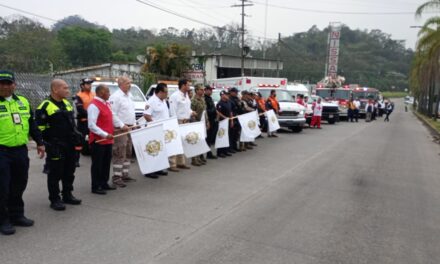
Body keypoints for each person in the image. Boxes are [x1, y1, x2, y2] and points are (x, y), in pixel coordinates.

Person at [0, 70, 45, 235]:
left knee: (19, 183)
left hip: (20, 150)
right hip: (1, 152)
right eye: (2, 83)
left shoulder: (23, 101)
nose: (5, 86)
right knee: (2, 187)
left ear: (14, 85)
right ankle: (3, 220)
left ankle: (17, 214)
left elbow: (32, 124)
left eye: (8, 83)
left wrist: (40, 142)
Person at [36, 79, 82, 211]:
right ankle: (55, 199)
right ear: (55, 89)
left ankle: (67, 194)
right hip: (55, 145)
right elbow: (39, 128)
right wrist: (47, 143)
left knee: (69, 171)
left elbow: (72, 124)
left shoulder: (67, 104)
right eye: (65, 88)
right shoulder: (44, 106)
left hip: (69, 144)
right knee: (55, 173)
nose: (68, 90)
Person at [88, 84, 125, 195]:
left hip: (107, 140)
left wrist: (122, 125)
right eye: (107, 92)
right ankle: (96, 186)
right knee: (97, 164)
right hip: (98, 140)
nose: (109, 94)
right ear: (100, 93)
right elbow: (91, 125)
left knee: (105, 163)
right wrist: (104, 134)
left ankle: (104, 183)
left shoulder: (106, 103)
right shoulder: (94, 105)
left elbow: (113, 116)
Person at [108, 76, 136, 187]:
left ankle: (125, 174)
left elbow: (131, 112)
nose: (130, 85)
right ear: (121, 84)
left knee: (128, 152)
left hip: (129, 127)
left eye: (130, 83)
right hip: (120, 129)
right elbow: (112, 114)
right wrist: (121, 125)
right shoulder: (116, 97)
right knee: (119, 153)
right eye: (128, 83)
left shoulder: (130, 96)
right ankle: (116, 177)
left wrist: (133, 124)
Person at [143, 83, 171, 177]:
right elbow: (146, 115)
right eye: (166, 92)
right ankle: (149, 171)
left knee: (159, 150)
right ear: (160, 92)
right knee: (152, 150)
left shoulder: (163, 100)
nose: (167, 94)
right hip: (153, 129)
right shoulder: (152, 101)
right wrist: (155, 125)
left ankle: (157, 168)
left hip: (163, 129)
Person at [169, 79, 193, 170]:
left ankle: (181, 162)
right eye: (188, 85)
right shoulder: (175, 96)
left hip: (186, 121)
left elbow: (187, 108)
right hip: (178, 121)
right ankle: (172, 164)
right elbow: (173, 110)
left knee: (182, 142)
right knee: (175, 142)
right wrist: (174, 122)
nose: (189, 87)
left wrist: (191, 112)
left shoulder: (186, 95)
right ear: (183, 85)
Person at [73, 78, 95, 160]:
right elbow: (80, 110)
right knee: (80, 140)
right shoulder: (78, 96)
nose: (90, 86)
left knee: (93, 138)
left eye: (90, 84)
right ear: (82, 85)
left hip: (93, 121)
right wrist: (93, 114)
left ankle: (92, 153)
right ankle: (76, 159)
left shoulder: (94, 94)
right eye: (88, 84)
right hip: (83, 121)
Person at [190, 84, 207, 166]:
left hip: (202, 122)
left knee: (201, 140)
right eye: (201, 89)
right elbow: (191, 113)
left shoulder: (202, 99)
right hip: (196, 122)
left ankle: (200, 157)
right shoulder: (193, 100)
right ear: (196, 91)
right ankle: (194, 159)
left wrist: (207, 122)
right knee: (195, 141)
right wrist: (194, 123)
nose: (203, 91)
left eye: (203, 89)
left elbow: (204, 111)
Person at [216, 91, 233, 158]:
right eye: (226, 94)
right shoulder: (220, 103)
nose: (227, 96)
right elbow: (218, 113)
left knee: (227, 136)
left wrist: (231, 120)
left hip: (228, 121)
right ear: (222, 95)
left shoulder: (228, 102)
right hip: (222, 122)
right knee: (221, 136)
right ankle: (220, 152)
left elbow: (230, 111)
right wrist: (225, 118)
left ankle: (225, 151)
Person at [204, 85, 218, 159]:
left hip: (213, 119)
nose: (211, 91)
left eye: (211, 90)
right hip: (208, 119)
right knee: (208, 137)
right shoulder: (205, 99)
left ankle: (209, 152)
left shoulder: (210, 98)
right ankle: (208, 153)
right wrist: (213, 110)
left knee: (211, 137)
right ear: (205, 90)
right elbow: (206, 110)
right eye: (209, 90)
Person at [228, 87, 243, 152]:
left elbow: (239, 107)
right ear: (231, 92)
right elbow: (231, 109)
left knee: (236, 133)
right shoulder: (229, 99)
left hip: (237, 117)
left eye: (237, 92)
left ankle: (235, 146)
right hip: (233, 117)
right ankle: (231, 148)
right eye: (235, 92)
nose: (236, 93)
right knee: (231, 134)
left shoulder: (237, 99)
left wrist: (240, 103)